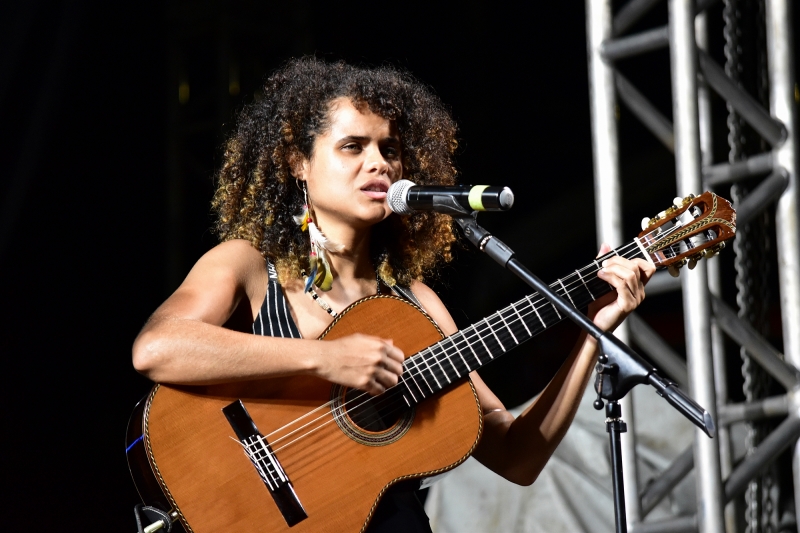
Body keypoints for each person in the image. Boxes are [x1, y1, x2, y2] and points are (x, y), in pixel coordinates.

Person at [132, 57, 655, 532]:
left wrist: (592, 333)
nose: (379, 163)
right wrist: (326, 359)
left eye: (390, 150)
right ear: (298, 163)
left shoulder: (416, 305)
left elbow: (518, 457)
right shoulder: (248, 265)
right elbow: (156, 348)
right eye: (352, 146)